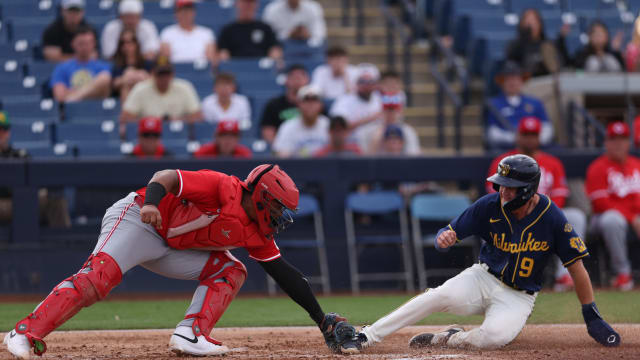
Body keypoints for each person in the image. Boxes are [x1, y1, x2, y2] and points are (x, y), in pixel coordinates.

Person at [3, 164, 361, 358]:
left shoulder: (257, 231)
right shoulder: (223, 187)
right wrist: (151, 204)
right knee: (99, 279)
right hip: (140, 220)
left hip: (173, 246)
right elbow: (165, 177)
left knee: (231, 269)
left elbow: (284, 274)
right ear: (265, 198)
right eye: (280, 207)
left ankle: (190, 335)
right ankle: (24, 332)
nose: (282, 216)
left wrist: (321, 319)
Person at [354, 154, 621, 351]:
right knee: (438, 296)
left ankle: (451, 338)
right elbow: (448, 232)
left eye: (509, 186)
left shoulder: (551, 217)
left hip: (518, 296)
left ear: (527, 189)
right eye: (501, 184)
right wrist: (444, 238)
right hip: (482, 278)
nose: (502, 190)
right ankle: (368, 335)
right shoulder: (489, 205)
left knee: (492, 338)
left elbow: (576, 267)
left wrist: (591, 313)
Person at [487, 116, 587, 292]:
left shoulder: (553, 163)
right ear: (518, 136)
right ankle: (497, 275)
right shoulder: (503, 162)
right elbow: (494, 194)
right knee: (491, 221)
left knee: (575, 216)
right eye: (526, 134)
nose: (530, 139)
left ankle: (563, 276)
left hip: (545, 215)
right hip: (512, 216)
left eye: (533, 135)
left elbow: (560, 195)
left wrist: (541, 214)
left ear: (539, 137)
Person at [585, 121, 639, 291]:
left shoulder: (637, 164)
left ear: (628, 142)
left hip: (635, 216)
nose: (618, 143)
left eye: (622, 139)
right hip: (602, 219)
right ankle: (623, 273)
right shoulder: (597, 167)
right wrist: (632, 217)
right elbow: (601, 203)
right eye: (613, 139)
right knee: (612, 220)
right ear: (606, 142)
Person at [0, 112, 71, 228]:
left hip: (21, 200)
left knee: (54, 197)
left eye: (4, 129)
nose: (1, 133)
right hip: (2, 203)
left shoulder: (19, 155)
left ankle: (65, 243)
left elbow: (34, 180)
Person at [120, 56, 202, 135]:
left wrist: (178, 120)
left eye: (167, 73)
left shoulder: (185, 87)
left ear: (172, 74)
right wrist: (152, 122)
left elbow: (198, 117)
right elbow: (126, 118)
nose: (164, 78)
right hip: (150, 136)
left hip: (179, 134)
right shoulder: (141, 88)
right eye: (160, 74)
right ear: (152, 74)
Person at [485, 61, 552, 149]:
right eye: (508, 79)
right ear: (502, 82)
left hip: (535, 149)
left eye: (516, 79)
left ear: (522, 81)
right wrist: (514, 138)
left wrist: (536, 140)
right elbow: (492, 132)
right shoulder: (493, 104)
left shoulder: (535, 102)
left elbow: (547, 127)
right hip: (506, 150)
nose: (512, 83)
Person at [50, 26, 112, 103]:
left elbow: (105, 92)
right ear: (73, 44)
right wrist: (94, 90)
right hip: (71, 111)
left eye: (88, 43)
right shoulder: (62, 68)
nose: (85, 47)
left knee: (104, 77)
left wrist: (73, 94)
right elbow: (60, 96)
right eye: (81, 43)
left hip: (97, 110)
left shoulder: (103, 67)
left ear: (94, 44)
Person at [329, 63, 382, 152]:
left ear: (375, 84)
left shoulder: (380, 100)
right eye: (362, 81)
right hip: (349, 147)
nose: (366, 85)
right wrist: (372, 118)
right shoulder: (344, 100)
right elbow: (339, 127)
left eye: (370, 82)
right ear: (356, 83)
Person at [505, 8, 569, 77]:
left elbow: (564, 62)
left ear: (540, 23)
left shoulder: (548, 44)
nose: (532, 24)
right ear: (522, 24)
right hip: (527, 81)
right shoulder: (516, 45)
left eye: (534, 20)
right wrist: (525, 34)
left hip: (548, 80)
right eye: (528, 21)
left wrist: (561, 40)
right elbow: (511, 60)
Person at [272, 85, 329, 157]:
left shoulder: (328, 125)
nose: (310, 104)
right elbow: (282, 155)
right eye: (306, 100)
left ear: (321, 105)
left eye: (314, 100)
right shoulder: (288, 127)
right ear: (298, 104)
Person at [217, 0, 282, 62]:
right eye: (244, 3)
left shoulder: (265, 28)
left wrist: (274, 59)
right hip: (236, 67)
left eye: (250, 3)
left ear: (256, 5)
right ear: (237, 4)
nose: (247, 6)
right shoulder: (228, 30)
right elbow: (223, 53)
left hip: (261, 67)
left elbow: (275, 48)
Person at [260, 64, 309, 144]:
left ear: (307, 79)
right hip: (282, 150)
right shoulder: (273, 105)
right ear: (286, 80)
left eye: (301, 77)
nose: (297, 81)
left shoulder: (315, 104)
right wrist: (280, 149)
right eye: (294, 77)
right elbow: (268, 132)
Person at [110, 30, 152, 103]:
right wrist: (127, 77)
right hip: (124, 94)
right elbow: (114, 84)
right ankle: (128, 112)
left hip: (144, 93)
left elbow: (153, 80)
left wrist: (141, 75)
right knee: (126, 86)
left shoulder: (146, 63)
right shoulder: (117, 65)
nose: (126, 46)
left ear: (136, 44)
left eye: (129, 42)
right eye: (123, 43)